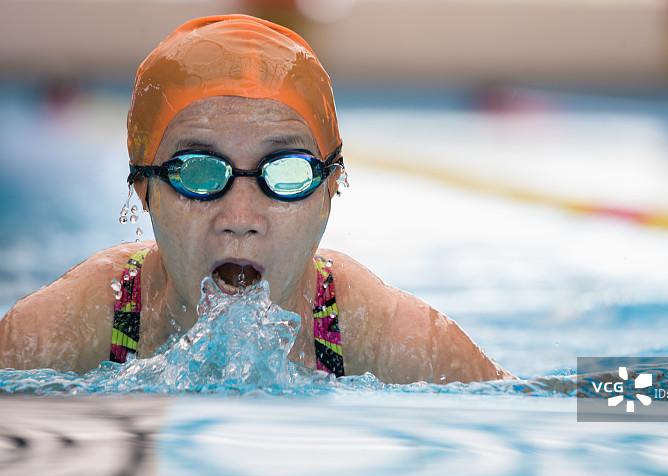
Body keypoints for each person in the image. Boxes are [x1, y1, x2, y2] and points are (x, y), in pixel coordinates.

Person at [0, 14, 512, 384]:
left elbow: (572, 402)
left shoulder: (385, 337)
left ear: (331, 188)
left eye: (285, 173)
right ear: (144, 189)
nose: (240, 218)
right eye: (198, 172)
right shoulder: (68, 328)